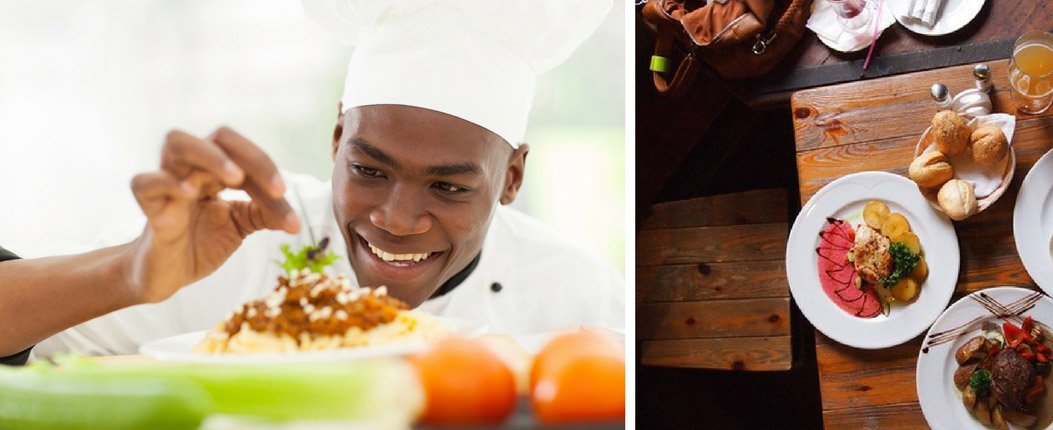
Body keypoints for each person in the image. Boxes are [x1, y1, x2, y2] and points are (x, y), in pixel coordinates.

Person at [3, 0, 623, 361]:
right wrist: (128, 273)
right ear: (335, 141)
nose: (396, 219)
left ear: (512, 176)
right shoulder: (238, 247)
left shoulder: (580, 300)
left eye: (449, 187)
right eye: (369, 170)